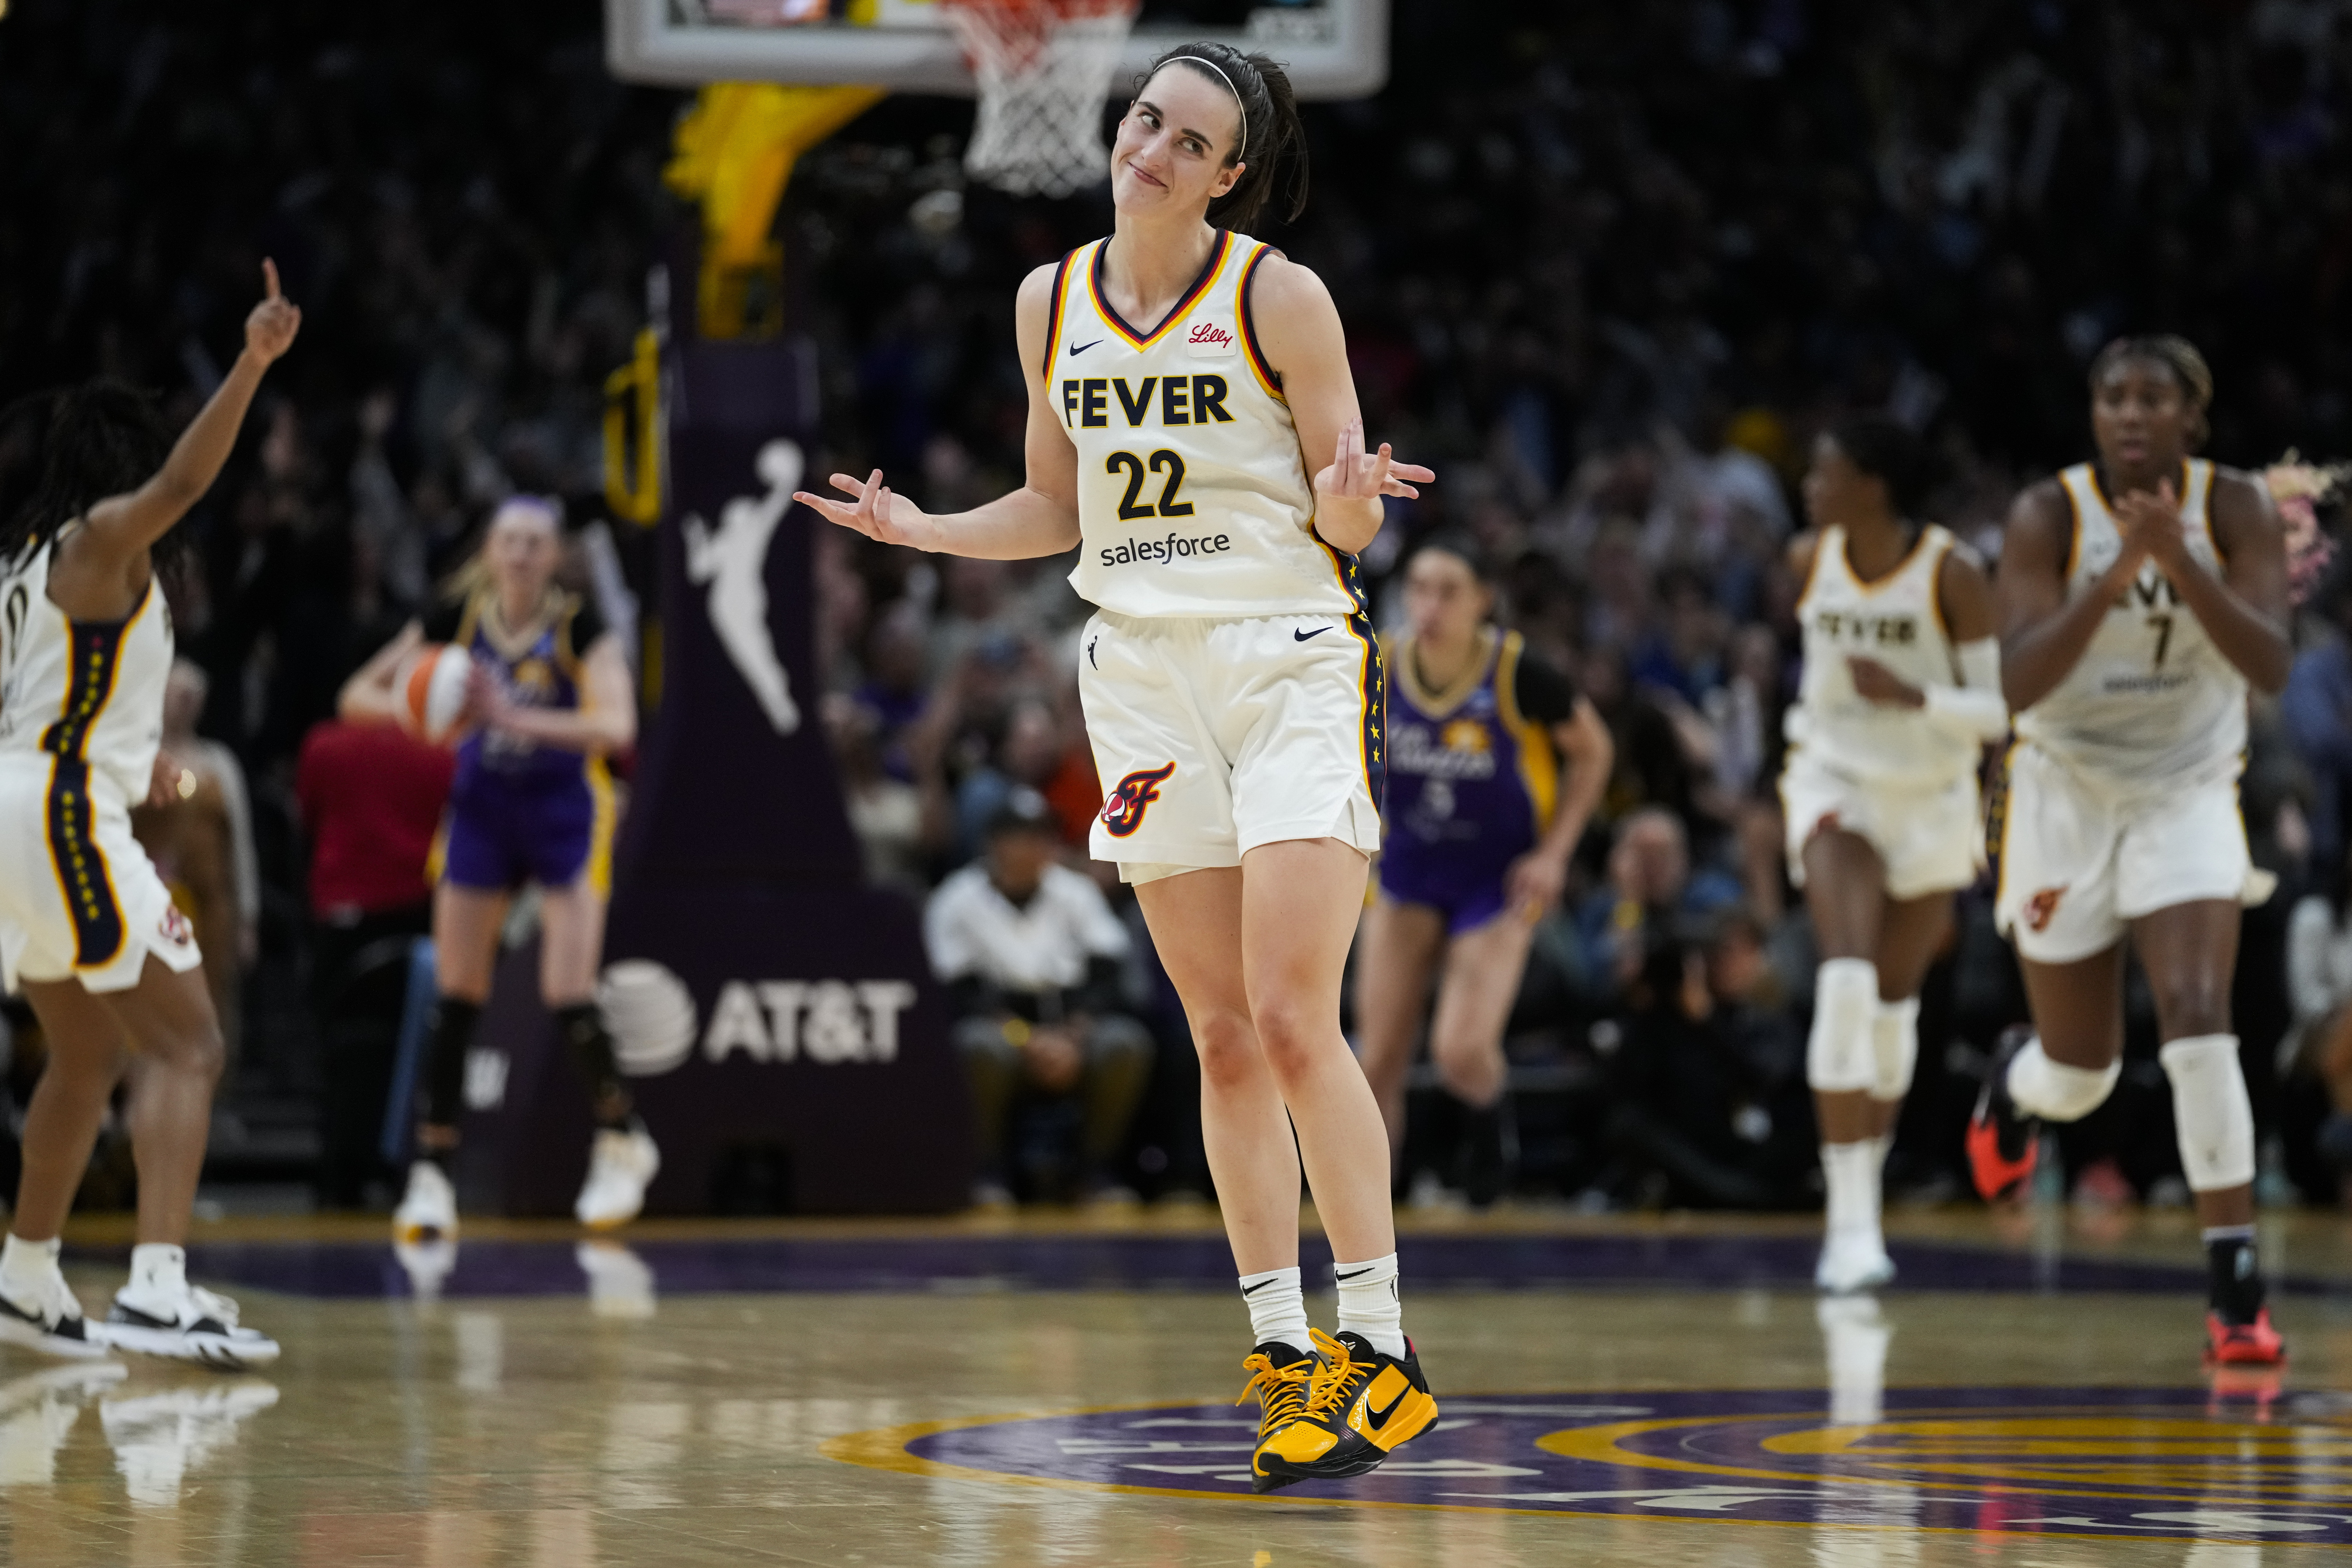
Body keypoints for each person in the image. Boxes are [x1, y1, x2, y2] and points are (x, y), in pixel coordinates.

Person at [796, 42, 1439, 1491]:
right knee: (1216, 1033)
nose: (1148, 146)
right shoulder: (1049, 299)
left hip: (1285, 660)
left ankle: (1381, 1341)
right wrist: (926, 534)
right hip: (1141, 675)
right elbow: (1052, 504)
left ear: (1229, 174)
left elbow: (1347, 529)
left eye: (1186, 138)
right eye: (1145, 117)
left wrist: (1350, 501)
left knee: (1289, 1013)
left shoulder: (1279, 293)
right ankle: (1283, 1355)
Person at [0, 261, 299, 1368]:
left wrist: (138, 770)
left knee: (81, 1056)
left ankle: (29, 1272)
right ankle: (158, 1285)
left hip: (29, 809)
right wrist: (252, 363)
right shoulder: (97, 541)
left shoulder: (26, 565)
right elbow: (181, 484)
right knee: (191, 1042)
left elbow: (50, 705)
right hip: (59, 815)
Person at [1971, 336, 2292, 1366]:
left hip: (2186, 787)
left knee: (2199, 1015)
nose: (2130, 415)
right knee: (2082, 1072)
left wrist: (2180, 560)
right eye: (2112, 397)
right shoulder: (2048, 516)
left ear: (2190, 420)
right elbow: (2017, 683)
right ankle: (2014, 1078)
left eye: (2153, 398)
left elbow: (2270, 663)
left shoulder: (2235, 507)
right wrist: (2116, 577)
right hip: (2063, 789)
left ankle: (2234, 1287)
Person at [340, 496, 651, 1243]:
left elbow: (616, 727)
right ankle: (431, 1175)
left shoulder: (582, 624)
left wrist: (511, 718)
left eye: (535, 543)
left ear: (555, 556)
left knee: (566, 990)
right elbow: (355, 699)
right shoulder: (455, 619)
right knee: (458, 992)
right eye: (508, 541)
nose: (519, 554)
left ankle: (622, 1140)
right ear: (487, 550)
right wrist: (425, 709)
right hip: (483, 804)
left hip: (566, 806)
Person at [1780, 415, 2006, 1293]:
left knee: (1891, 1011)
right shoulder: (1809, 559)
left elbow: (1996, 713)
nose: (1809, 484)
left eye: (1824, 468)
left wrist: (1913, 695)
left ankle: (1865, 1196)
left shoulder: (1952, 571)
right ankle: (1848, 1227)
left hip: (1931, 801)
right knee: (1844, 977)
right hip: (1836, 783)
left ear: (1872, 483)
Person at [1355, 534, 1612, 1205]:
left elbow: (1594, 753)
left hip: (1495, 880)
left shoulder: (1520, 673)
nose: (1429, 606)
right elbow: (1338, 747)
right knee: (1372, 1059)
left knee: (1461, 1051)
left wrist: (1553, 855)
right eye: (1419, 588)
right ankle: (1365, 1230)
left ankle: (1491, 1131)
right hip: (1407, 870)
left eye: (1448, 591)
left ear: (1483, 602)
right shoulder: (1378, 661)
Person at [926, 789, 1153, 1205]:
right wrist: (1028, 1041)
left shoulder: (1075, 892)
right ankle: (989, 1172)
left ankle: (1096, 1171)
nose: (1034, 848)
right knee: (977, 1046)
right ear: (994, 843)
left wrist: (1071, 1038)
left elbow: (1107, 974)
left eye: (1042, 837)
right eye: (1021, 837)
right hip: (1005, 1028)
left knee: (1125, 1042)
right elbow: (962, 995)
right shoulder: (957, 899)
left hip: (1072, 1025)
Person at [295, 712, 457, 1207]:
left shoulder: (326, 744)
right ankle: (406, 1168)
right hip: (422, 915)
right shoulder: (446, 747)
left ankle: (337, 1176)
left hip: (345, 919)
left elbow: (308, 814)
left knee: (339, 1053)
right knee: (422, 1050)